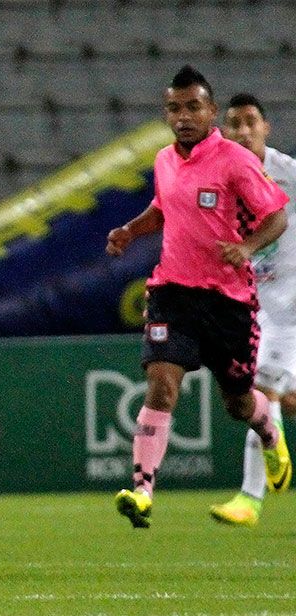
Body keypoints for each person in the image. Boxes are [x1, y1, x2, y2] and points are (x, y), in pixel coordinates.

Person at [106, 67, 292, 529]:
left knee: (238, 404)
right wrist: (130, 230)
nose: (183, 116)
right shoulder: (164, 160)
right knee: (161, 383)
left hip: (229, 301)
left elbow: (277, 216)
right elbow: (163, 207)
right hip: (172, 292)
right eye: (174, 108)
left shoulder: (235, 160)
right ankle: (142, 491)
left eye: (193, 107)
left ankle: (268, 430)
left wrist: (246, 248)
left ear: (211, 112)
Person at [209, 93, 296, 526]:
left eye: (251, 122)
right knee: (281, 399)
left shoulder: (288, 173)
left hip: (292, 305)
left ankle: (249, 498)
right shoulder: (219, 177)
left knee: (261, 391)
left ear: (266, 128)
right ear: (224, 132)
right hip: (252, 305)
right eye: (235, 123)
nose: (243, 131)